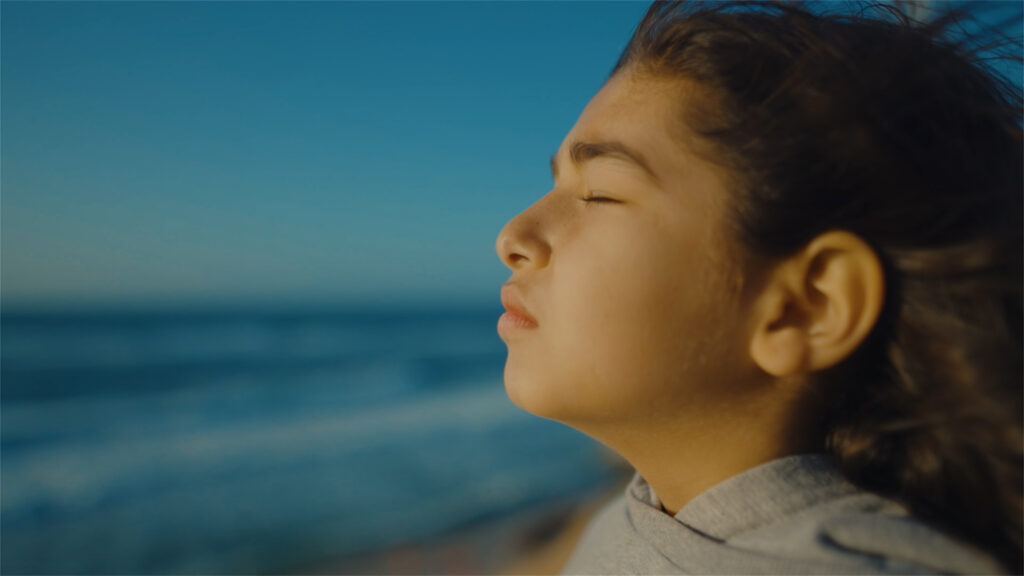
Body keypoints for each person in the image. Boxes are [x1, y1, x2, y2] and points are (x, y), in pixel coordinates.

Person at [494, 1, 1022, 574]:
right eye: (555, 184)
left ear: (805, 307)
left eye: (599, 192)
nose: (512, 236)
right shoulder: (639, 518)